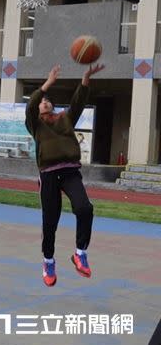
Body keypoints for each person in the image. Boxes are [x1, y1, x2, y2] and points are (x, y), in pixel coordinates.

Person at [25, 63, 104, 287]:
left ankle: (80, 253)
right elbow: (30, 106)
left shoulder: (65, 119)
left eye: (48, 99)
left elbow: (78, 103)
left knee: (85, 208)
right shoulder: (35, 124)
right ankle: (48, 261)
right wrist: (48, 83)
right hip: (49, 175)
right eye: (42, 101)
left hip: (70, 171)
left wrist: (86, 78)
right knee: (50, 222)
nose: (44, 102)